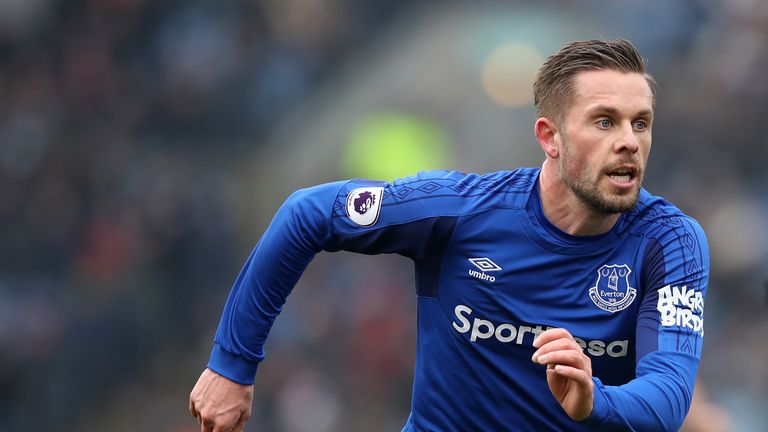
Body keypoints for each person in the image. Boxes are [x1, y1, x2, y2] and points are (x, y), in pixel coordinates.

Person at [189, 39, 709, 431]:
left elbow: (668, 394)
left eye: (640, 124)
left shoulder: (670, 243)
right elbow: (307, 214)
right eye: (604, 122)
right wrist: (232, 366)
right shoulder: (462, 212)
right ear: (549, 137)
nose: (628, 142)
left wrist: (595, 399)